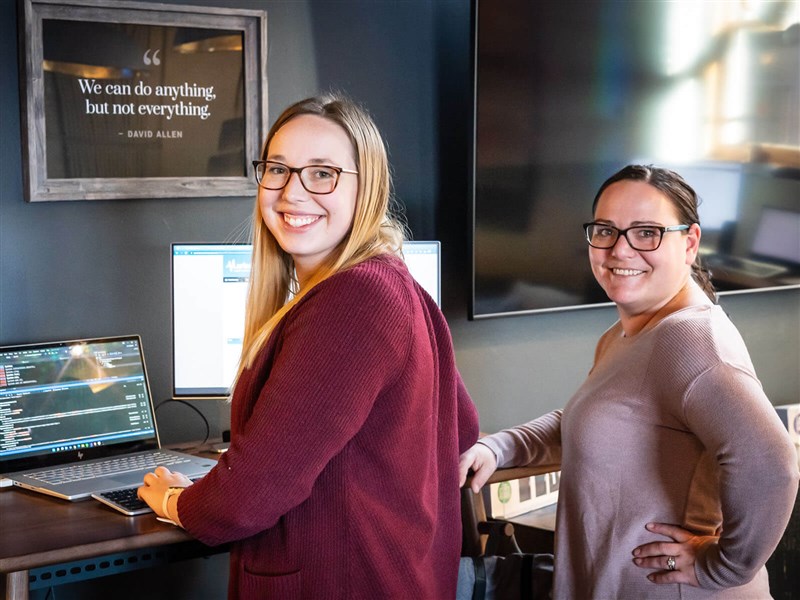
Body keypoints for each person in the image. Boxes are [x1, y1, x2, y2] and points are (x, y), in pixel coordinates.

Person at [138, 94, 479, 598]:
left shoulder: (353, 298)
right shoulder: (392, 281)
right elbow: (463, 427)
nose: (292, 193)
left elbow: (243, 502)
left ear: (369, 187)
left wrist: (173, 500)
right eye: (278, 169)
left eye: (322, 173)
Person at [459, 164, 799, 599]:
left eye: (647, 232)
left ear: (690, 242)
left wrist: (724, 568)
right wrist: (500, 446)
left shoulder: (690, 340)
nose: (620, 250)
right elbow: (591, 421)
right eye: (606, 230)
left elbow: (770, 463)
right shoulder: (629, 333)